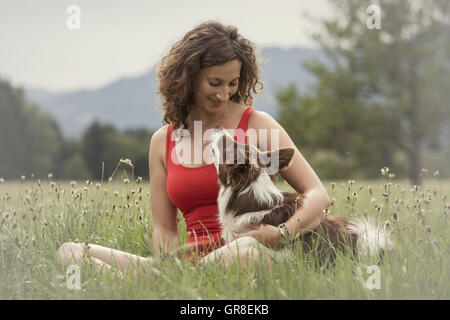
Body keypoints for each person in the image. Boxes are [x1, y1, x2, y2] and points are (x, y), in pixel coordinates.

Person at [56, 20, 331, 273]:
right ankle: (166, 283)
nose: (224, 94)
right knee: (69, 252)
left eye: (232, 84)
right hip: (188, 267)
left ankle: (159, 286)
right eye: (215, 83)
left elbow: (317, 194)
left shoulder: (259, 126)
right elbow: (164, 229)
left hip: (248, 255)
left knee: (244, 250)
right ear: (189, 78)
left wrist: (281, 233)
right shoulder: (162, 141)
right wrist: (167, 268)